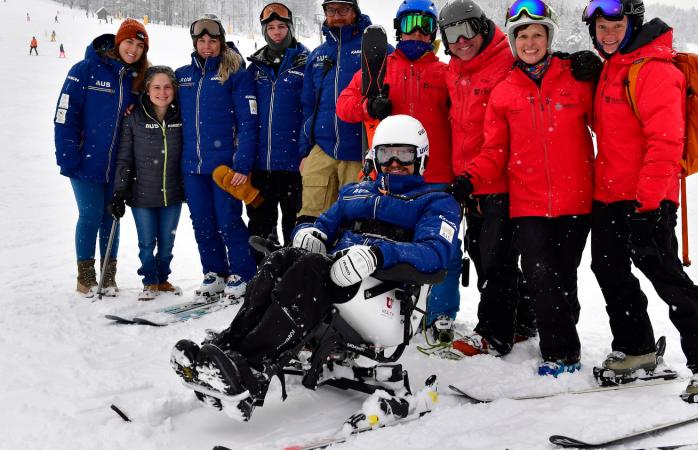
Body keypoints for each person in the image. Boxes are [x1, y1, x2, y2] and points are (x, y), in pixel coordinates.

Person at [170, 115, 461, 421]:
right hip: (336, 279)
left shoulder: (436, 201)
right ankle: (224, 352)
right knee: (280, 260)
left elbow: (435, 253)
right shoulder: (355, 192)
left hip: (385, 297)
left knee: (309, 269)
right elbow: (322, 225)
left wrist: (378, 254)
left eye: (405, 154)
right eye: (387, 154)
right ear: (375, 157)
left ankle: (252, 371)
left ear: (421, 158)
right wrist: (309, 234)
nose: (395, 163)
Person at [581, 0, 698, 400]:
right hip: (609, 196)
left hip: (646, 200)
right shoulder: (613, 69)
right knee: (609, 271)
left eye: (615, 25)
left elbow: (666, 143)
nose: (607, 34)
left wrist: (648, 206)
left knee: (668, 279)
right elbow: (609, 127)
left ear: (633, 24)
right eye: (601, 27)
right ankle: (637, 349)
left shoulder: (654, 70)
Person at [450, 0, 595, 375]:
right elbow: (494, 150)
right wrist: (470, 178)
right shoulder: (505, 91)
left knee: (564, 275)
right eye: (522, 36)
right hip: (528, 202)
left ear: (549, 37)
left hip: (576, 200)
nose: (530, 43)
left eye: (537, 34)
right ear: (513, 41)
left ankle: (561, 332)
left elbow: (610, 124)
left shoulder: (576, 79)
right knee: (540, 275)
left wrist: (597, 69)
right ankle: (560, 355)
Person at [336, 0, 461, 342]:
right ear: (398, 27)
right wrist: (368, 105)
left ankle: (441, 314)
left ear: (434, 32)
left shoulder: (444, 72)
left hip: (436, 175)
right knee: (381, 239)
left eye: (424, 25)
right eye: (410, 25)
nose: (417, 32)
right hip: (388, 174)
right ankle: (381, 309)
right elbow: (344, 105)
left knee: (444, 247)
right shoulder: (378, 68)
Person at [435, 0, 525, 357]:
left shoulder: (507, 62)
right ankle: (522, 320)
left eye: (468, 29)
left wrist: (574, 64)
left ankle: (494, 332)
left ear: (483, 26)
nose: (462, 40)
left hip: (501, 179)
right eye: (452, 33)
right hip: (470, 181)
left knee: (496, 258)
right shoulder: (454, 69)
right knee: (481, 251)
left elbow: (541, 64)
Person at [54, 19, 150, 297]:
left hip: (117, 163)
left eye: (140, 46)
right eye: (129, 42)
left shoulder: (136, 79)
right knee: (90, 215)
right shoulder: (85, 70)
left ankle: (108, 276)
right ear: (118, 42)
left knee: (112, 217)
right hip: (85, 159)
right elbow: (65, 115)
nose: (133, 50)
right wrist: (67, 155)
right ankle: (85, 277)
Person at [176, 14, 259, 300]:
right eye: (202, 41)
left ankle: (243, 273)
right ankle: (214, 272)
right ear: (195, 43)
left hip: (225, 167)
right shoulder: (183, 76)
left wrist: (242, 164)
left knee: (228, 221)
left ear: (221, 42)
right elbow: (158, 100)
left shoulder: (235, 74)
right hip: (192, 166)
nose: (207, 46)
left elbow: (249, 123)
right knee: (202, 223)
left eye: (213, 41)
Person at [111, 66, 184, 301]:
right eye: (156, 87)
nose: (162, 92)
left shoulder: (181, 116)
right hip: (142, 194)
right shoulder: (134, 118)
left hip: (172, 194)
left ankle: (163, 279)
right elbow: (124, 156)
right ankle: (150, 281)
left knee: (167, 243)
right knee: (146, 242)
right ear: (147, 89)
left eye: (167, 87)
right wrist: (120, 190)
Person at [297, 0, 372, 222]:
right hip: (322, 150)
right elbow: (308, 106)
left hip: (359, 152)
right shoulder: (318, 55)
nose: (337, 15)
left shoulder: (374, 47)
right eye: (331, 10)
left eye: (343, 10)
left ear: (355, 12)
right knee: (311, 220)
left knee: (353, 223)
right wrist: (305, 152)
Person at [245, 3, 309, 254]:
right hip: (262, 168)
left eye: (282, 26)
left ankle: (293, 286)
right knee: (260, 230)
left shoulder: (306, 62)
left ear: (290, 27)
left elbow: (311, 112)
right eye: (270, 27)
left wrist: (306, 152)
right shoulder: (255, 68)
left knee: (296, 228)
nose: (276, 32)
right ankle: (262, 281)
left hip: (295, 167)